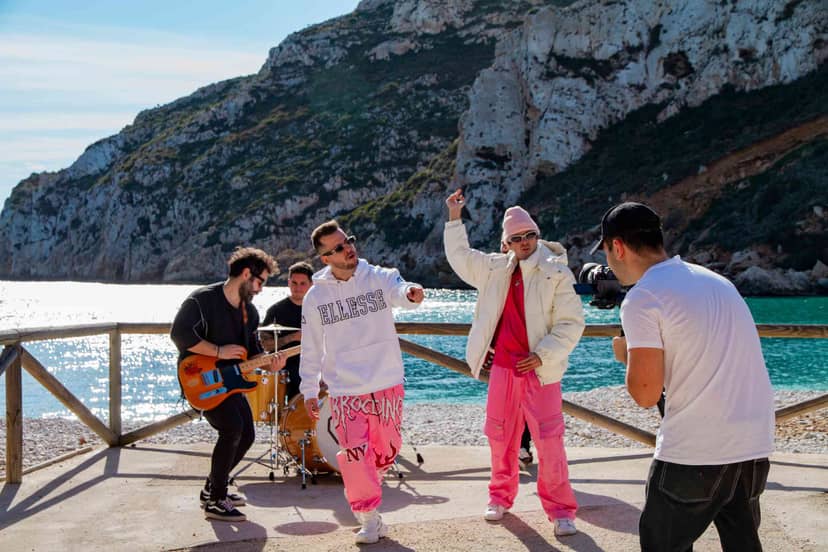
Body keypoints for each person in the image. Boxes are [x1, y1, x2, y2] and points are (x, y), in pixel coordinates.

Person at [593, 202, 774, 551]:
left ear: (617, 246)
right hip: (753, 444)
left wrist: (626, 355)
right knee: (743, 543)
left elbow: (646, 394)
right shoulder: (717, 281)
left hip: (695, 453)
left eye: (606, 252)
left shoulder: (643, 298)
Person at [443, 189, 584, 536]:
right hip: (503, 370)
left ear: (538, 235)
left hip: (541, 371)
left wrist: (542, 354)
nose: (524, 242)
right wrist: (454, 216)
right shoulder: (494, 268)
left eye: (529, 235)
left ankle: (561, 511)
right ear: (506, 243)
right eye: (517, 238)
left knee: (550, 441)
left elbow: (572, 322)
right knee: (499, 437)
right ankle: (500, 497)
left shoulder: (556, 271)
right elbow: (460, 256)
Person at [300, 220, 424, 545]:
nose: (348, 248)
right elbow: (311, 346)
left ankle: (371, 494)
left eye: (348, 241)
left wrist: (409, 294)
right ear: (325, 258)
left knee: (385, 452)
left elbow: (399, 289)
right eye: (338, 247)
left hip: (386, 381)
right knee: (354, 456)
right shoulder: (316, 298)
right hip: (344, 389)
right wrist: (309, 389)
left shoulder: (378, 276)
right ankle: (368, 517)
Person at [171, 247, 286, 522]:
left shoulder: (251, 313)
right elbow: (180, 334)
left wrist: (270, 362)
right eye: (260, 282)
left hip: (231, 382)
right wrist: (219, 352)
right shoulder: (202, 300)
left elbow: (252, 351)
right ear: (246, 274)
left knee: (246, 435)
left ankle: (214, 486)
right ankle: (216, 500)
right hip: (201, 380)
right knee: (232, 428)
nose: (260, 289)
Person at [260, 261, 314, 403]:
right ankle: (291, 420)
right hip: (286, 366)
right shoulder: (275, 311)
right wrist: (293, 337)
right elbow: (265, 345)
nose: (298, 288)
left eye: (303, 283)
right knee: (297, 376)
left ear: (311, 284)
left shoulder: (319, 309)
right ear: (289, 282)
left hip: (315, 364)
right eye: (294, 283)